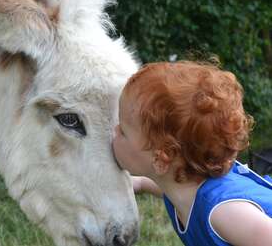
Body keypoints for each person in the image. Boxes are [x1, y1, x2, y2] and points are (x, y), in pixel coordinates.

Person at [112, 61, 272, 246]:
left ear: (160, 159)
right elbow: (162, 186)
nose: (114, 131)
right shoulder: (179, 187)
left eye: (123, 131)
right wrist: (138, 183)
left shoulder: (224, 212)